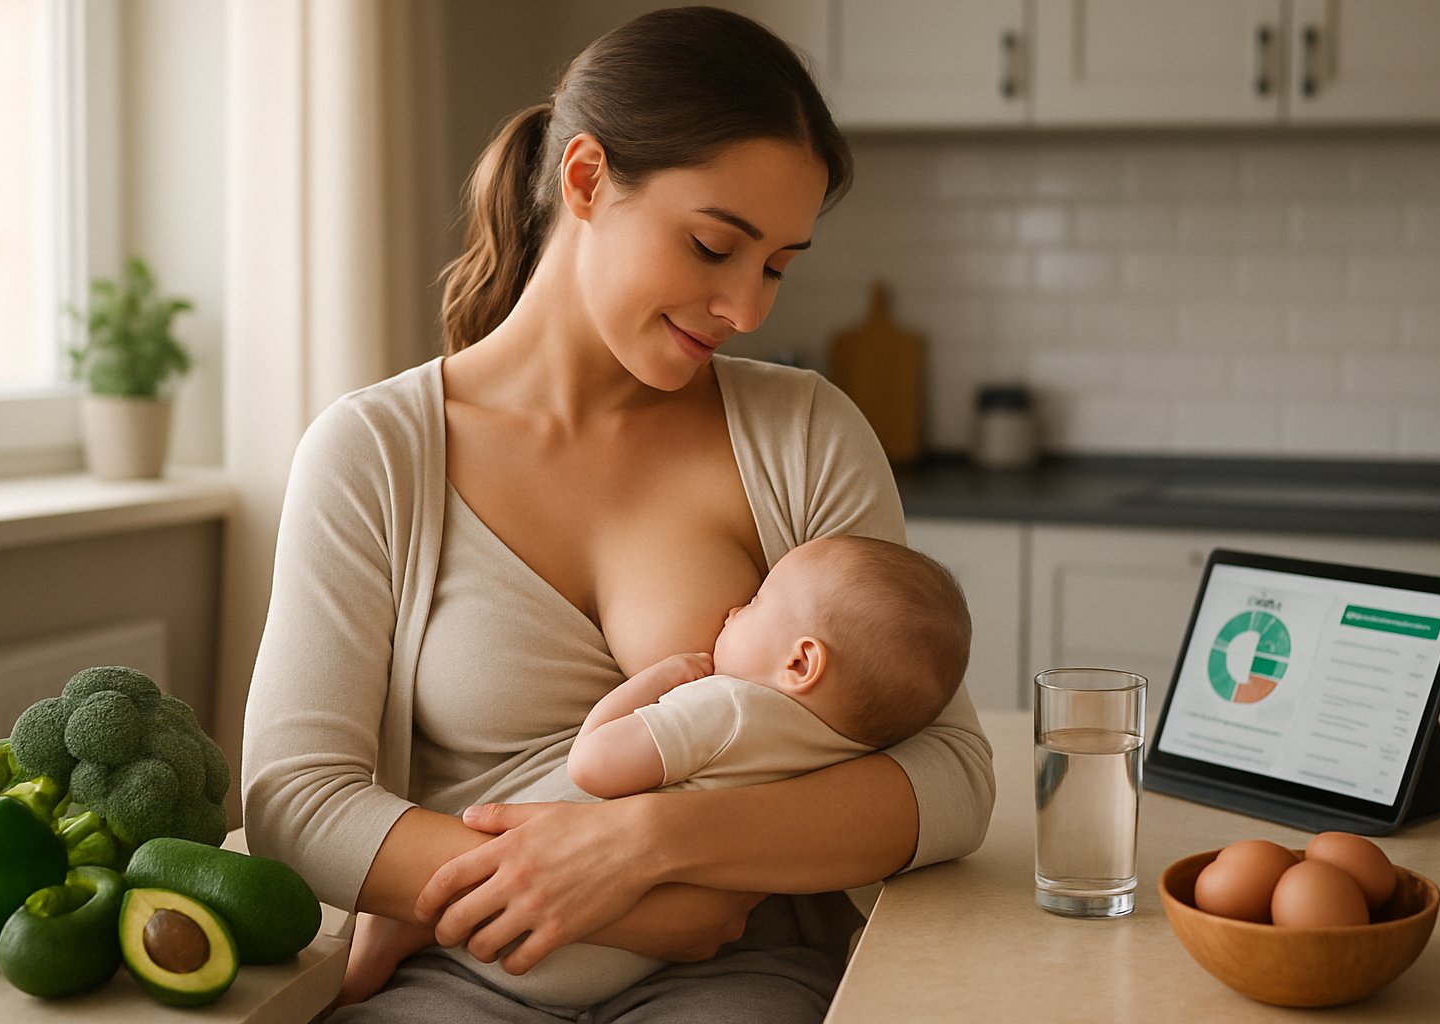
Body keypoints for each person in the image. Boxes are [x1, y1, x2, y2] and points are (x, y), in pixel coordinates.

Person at [241, 7, 995, 1022]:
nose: (748, 309)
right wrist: (603, 898)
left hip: (747, 964)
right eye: (713, 245)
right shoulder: (374, 452)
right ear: (586, 179)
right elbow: (296, 800)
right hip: (470, 965)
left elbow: (949, 777)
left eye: (775, 264)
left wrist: (650, 848)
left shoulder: (803, 432)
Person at [338, 535, 972, 1008]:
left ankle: (410, 924)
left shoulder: (725, 707)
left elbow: (594, 765)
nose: (733, 612)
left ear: (802, 662)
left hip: (528, 942)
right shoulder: (845, 754)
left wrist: (655, 685)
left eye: (755, 604)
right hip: (623, 960)